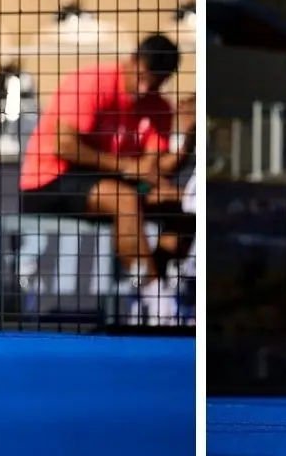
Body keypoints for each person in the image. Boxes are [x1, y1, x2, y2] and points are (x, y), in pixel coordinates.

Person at [17, 33, 192, 324]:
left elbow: (154, 168)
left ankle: (149, 293)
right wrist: (126, 167)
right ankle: (158, 301)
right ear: (132, 61)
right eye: (143, 77)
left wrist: (186, 140)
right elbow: (64, 146)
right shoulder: (91, 82)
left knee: (182, 207)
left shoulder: (159, 106)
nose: (146, 87)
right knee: (123, 199)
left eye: (156, 82)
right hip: (50, 179)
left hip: (110, 183)